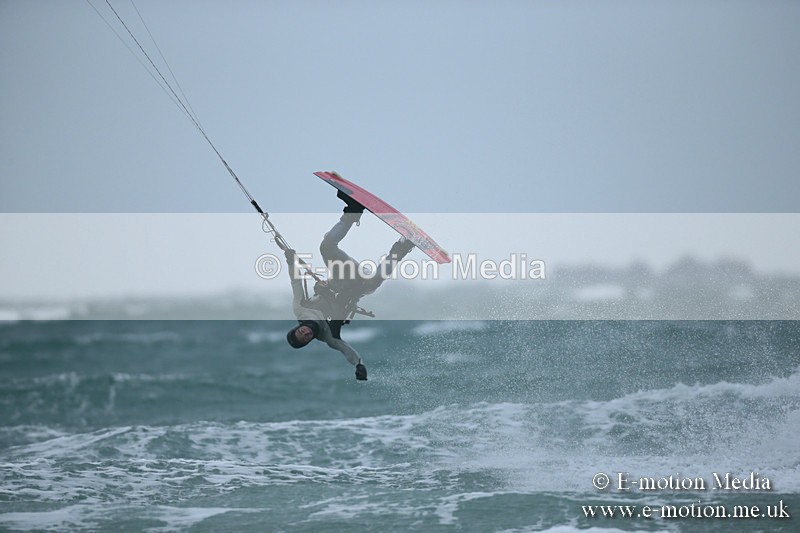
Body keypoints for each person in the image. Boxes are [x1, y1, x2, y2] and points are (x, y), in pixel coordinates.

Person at [284, 189, 416, 380]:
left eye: (299, 332)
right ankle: (402, 247)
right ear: (309, 340)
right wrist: (359, 365)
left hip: (341, 275)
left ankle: (353, 211)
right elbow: (348, 351)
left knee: (326, 247)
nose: (303, 333)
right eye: (304, 338)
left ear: (297, 328)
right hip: (358, 288)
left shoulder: (300, 309)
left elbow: (296, 282)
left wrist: (290, 261)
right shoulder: (329, 337)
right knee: (373, 283)